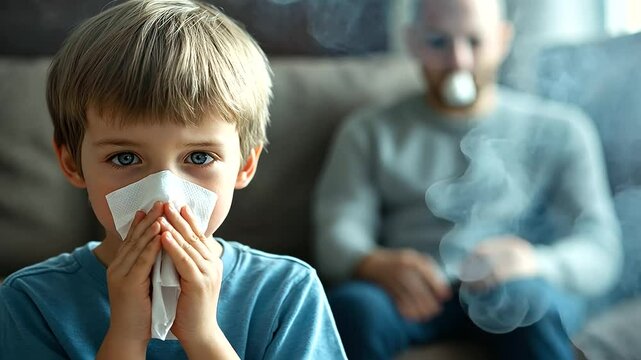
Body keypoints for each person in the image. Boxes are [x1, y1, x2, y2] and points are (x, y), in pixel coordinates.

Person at [0, 1, 347, 359]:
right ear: (73, 164)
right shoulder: (32, 301)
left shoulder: (286, 293)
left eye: (199, 157)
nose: (164, 197)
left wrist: (203, 335)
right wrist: (126, 336)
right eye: (125, 158)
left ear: (244, 165)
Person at [313, 0, 622, 359]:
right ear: (412, 42)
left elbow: (600, 249)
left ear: (503, 39)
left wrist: (534, 262)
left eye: (474, 42)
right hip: (412, 297)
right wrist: (373, 263)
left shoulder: (561, 130)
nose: (458, 61)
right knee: (355, 309)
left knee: (530, 304)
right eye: (439, 42)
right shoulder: (368, 132)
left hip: (518, 287)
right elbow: (335, 234)